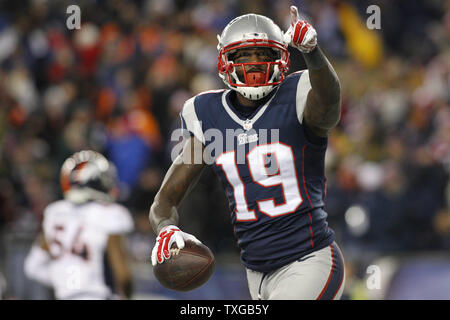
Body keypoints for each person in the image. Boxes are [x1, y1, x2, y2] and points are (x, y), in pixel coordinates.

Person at [149, 6, 345, 300]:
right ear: (225, 61)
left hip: (309, 260)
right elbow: (165, 200)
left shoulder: (298, 94)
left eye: (263, 55)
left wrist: (314, 53)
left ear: (281, 58)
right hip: (255, 272)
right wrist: (165, 228)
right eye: (244, 56)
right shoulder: (207, 114)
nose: (254, 64)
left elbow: (329, 107)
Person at [24, 150, 134, 300]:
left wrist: (65, 281)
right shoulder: (111, 214)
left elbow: (32, 267)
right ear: (94, 181)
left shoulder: (55, 213)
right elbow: (122, 275)